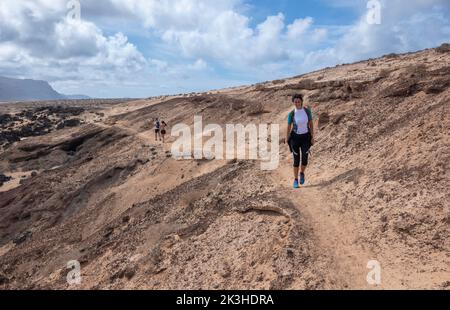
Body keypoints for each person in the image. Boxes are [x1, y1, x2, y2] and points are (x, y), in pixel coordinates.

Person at [286, 94, 315, 188]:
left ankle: (302, 173)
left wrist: (312, 136)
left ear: (301, 101)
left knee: (305, 158)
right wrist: (287, 138)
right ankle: (295, 180)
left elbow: (311, 123)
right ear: (293, 102)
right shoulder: (291, 114)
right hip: (295, 138)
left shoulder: (307, 111)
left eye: (298, 101)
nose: (297, 103)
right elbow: (288, 126)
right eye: (295, 102)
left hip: (306, 137)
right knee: (296, 160)